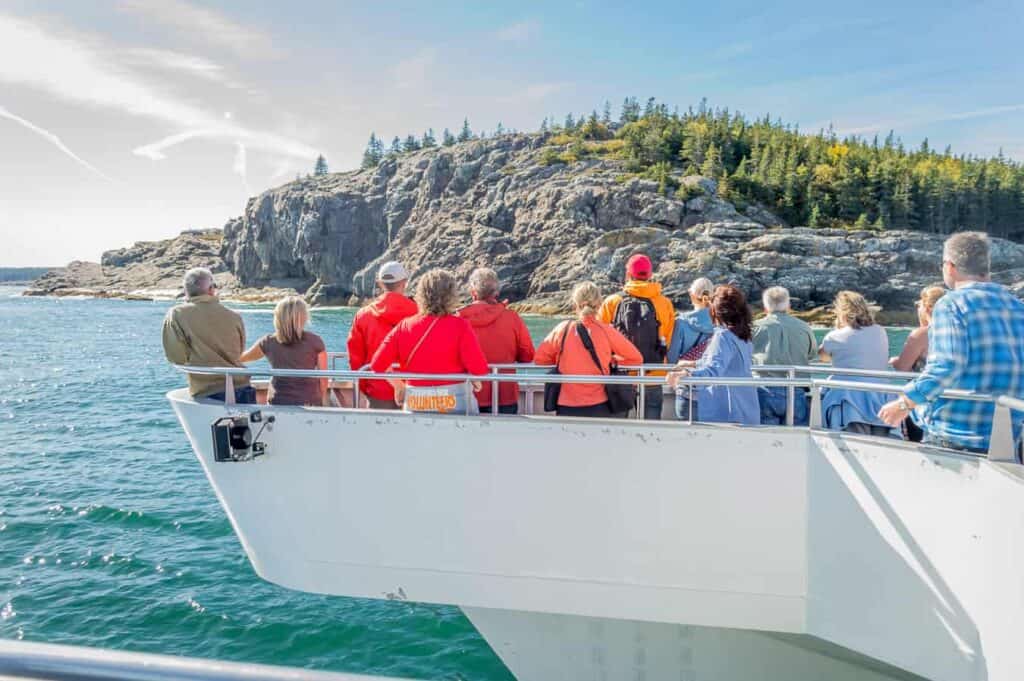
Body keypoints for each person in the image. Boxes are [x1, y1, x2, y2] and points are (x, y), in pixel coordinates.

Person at [879, 232, 1024, 453]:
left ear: (950, 266)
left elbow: (947, 366)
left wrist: (903, 404)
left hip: (955, 436)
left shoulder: (951, 304)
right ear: (986, 265)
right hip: (1008, 437)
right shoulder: (1016, 306)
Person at [370, 269, 489, 414]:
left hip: (415, 403)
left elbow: (377, 364)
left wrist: (399, 386)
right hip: (455, 403)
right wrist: (475, 380)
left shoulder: (405, 326)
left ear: (421, 295)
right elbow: (480, 369)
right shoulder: (460, 326)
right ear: (451, 296)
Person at [536, 282, 644, 418]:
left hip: (566, 405)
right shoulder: (606, 330)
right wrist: (612, 360)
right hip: (599, 404)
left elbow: (539, 359)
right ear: (599, 305)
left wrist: (562, 359)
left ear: (575, 304)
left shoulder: (563, 329)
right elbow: (636, 358)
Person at [667, 285, 760, 425]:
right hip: (745, 406)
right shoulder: (742, 335)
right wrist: (694, 364)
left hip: (727, 412)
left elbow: (713, 370)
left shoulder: (722, 336)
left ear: (715, 311)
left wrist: (685, 374)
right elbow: (727, 362)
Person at [598, 254, 674, 419]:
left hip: (621, 374)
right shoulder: (665, 303)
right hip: (653, 374)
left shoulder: (612, 302)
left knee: (617, 428)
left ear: (628, 274)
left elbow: (599, 339)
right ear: (650, 275)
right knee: (651, 427)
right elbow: (667, 339)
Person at [162, 267, 254, 403]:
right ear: (211, 289)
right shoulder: (234, 316)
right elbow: (238, 351)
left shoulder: (177, 314)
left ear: (186, 291)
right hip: (243, 387)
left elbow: (176, 357)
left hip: (207, 391)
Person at [456, 267, 535, 414]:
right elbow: (528, 355)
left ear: (473, 293)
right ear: (496, 292)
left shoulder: (457, 320)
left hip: (468, 393)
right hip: (505, 394)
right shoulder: (512, 318)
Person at [819, 291, 894, 436]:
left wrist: (839, 328)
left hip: (849, 400)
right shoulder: (880, 331)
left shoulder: (834, 336)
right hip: (880, 398)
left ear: (841, 312)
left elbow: (823, 357)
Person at [347, 261, 418, 409]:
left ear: (380, 284)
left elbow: (355, 358)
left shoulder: (363, 315)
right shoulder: (419, 314)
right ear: (404, 283)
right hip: (415, 389)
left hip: (377, 390)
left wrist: (364, 387)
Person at [240, 297, 327, 406]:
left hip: (277, 402)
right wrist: (319, 400)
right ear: (304, 317)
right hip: (310, 401)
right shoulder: (316, 341)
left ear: (278, 317)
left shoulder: (268, 342)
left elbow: (243, 358)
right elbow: (324, 379)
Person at [752, 286, 818, 425]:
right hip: (796, 390)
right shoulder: (804, 327)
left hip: (765, 389)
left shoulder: (755, 327)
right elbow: (811, 354)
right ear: (788, 305)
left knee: (766, 440)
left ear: (765, 307)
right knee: (798, 440)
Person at [888, 286, 945, 441]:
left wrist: (894, 361)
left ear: (927, 307)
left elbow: (902, 368)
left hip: (920, 403)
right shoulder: (954, 332)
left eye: (919, 306)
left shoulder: (921, 334)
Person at [668, 277, 716, 363]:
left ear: (692, 295)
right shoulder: (720, 323)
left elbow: (672, 357)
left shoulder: (681, 322)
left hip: (686, 374)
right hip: (710, 374)